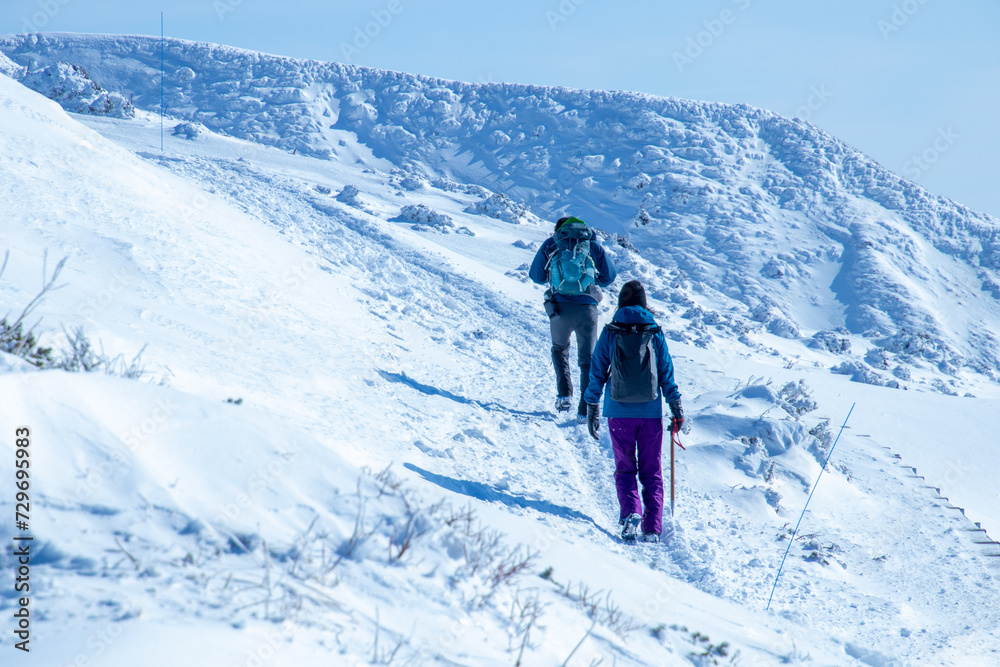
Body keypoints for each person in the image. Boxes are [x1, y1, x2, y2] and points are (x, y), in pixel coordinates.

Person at [583, 280, 684, 543]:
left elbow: (597, 371)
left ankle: (631, 515)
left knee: (625, 469)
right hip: (650, 414)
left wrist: (592, 405)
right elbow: (666, 373)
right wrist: (676, 407)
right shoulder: (654, 331)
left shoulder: (611, 331)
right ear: (643, 303)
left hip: (618, 413)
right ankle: (652, 529)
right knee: (652, 472)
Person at [529, 216, 617, 416]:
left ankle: (564, 396)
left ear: (559, 230)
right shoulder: (592, 246)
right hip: (588, 309)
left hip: (559, 309)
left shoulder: (552, 244)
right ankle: (584, 410)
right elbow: (609, 278)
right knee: (587, 360)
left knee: (560, 350)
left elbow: (536, 276)